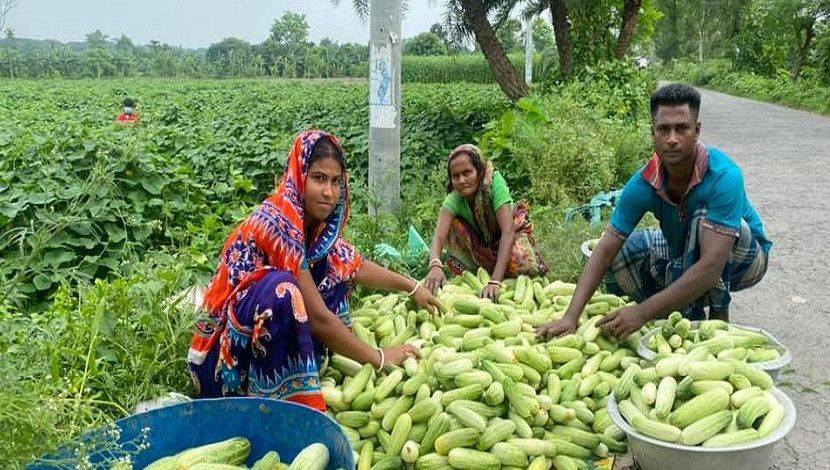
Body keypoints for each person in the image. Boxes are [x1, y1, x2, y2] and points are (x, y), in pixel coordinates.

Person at [187, 130, 441, 411]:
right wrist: (378, 357)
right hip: (224, 366)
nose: (328, 192)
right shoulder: (278, 219)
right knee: (284, 291)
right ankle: (272, 402)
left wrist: (412, 287)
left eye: (335, 181)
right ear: (300, 175)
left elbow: (356, 266)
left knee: (334, 273)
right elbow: (318, 317)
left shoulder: (315, 226)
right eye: (318, 179)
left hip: (253, 341)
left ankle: (299, 366)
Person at [537, 83, 771, 341]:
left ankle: (717, 319)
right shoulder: (643, 183)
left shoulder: (724, 176)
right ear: (653, 132)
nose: (672, 139)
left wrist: (641, 313)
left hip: (745, 258)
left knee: (701, 217)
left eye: (681, 128)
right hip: (686, 252)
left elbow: (712, 266)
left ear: (697, 131)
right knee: (623, 253)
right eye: (663, 129)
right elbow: (605, 249)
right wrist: (571, 316)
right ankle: (675, 305)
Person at [425, 144, 548, 301]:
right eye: (456, 176)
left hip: (507, 239)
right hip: (481, 246)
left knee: (521, 260)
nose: (462, 180)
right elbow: (439, 237)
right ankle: (479, 271)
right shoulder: (455, 198)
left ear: (479, 170)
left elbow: (508, 232)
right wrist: (435, 264)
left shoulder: (494, 184)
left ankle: (495, 272)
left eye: (467, 173)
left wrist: (495, 281)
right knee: (453, 228)